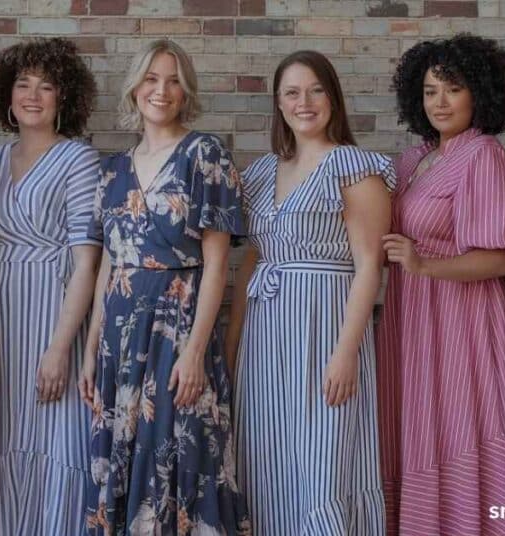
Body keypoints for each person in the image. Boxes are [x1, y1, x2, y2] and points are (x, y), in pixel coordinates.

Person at [78, 39, 250, 535]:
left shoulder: (205, 154)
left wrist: (196, 352)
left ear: (186, 90)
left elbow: (218, 264)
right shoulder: (111, 170)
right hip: (119, 340)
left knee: (184, 455)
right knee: (122, 456)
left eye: (174, 80)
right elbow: (109, 265)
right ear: (135, 88)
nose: (162, 90)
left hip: (178, 333)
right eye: (152, 79)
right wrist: (91, 349)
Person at [225, 50, 392, 535]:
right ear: (278, 104)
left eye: (316, 90)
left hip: (325, 329)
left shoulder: (355, 168)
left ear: (333, 98)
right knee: (268, 458)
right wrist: (232, 347)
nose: (305, 102)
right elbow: (252, 259)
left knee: (324, 463)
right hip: (266, 337)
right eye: (292, 92)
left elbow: (368, 268)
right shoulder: (259, 174)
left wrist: (345, 353)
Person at [375, 34, 505, 536]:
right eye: (429, 91)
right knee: (420, 428)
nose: (439, 102)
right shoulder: (413, 159)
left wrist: (425, 265)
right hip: (411, 315)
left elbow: (503, 257)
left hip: (463, 318)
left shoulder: (483, 154)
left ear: (479, 93)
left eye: (452, 89)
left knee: (461, 424)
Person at [0, 38, 101, 535]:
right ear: (7, 94)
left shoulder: (79, 161)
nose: (33, 95)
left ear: (65, 98)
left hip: (52, 314)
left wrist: (60, 348)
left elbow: (88, 262)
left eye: (47, 86)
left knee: (58, 440)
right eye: (23, 84)